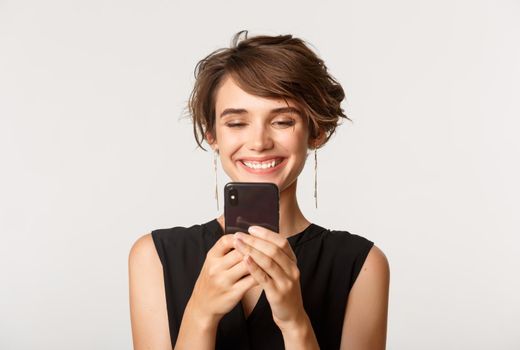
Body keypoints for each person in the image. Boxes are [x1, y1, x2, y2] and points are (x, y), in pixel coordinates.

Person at [129, 31, 390, 350]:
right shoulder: (154, 256)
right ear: (212, 135)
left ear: (315, 131)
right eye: (236, 123)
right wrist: (201, 314)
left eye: (282, 121)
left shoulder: (362, 264)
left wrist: (294, 322)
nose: (259, 143)